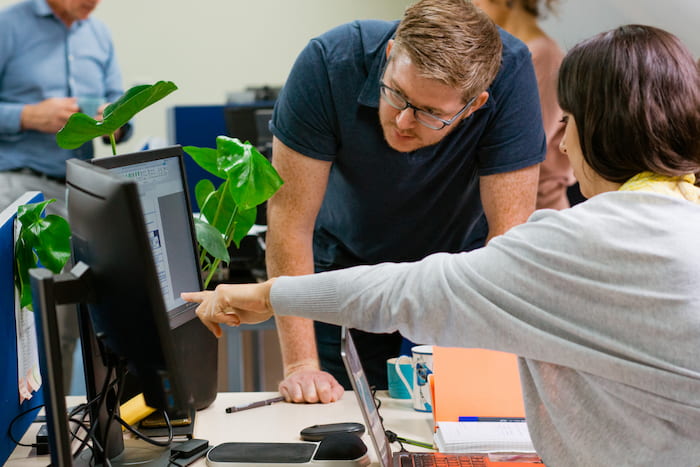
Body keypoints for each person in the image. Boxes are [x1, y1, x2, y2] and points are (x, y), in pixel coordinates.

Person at [183, 24, 700, 466]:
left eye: (569, 123)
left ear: (600, 131)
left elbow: (408, 291)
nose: (559, 144)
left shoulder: (577, 243)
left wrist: (267, 295)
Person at [265, 0, 547, 403]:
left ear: (474, 106)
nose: (403, 121)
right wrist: (300, 366)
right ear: (391, 54)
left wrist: (493, 363)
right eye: (397, 94)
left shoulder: (511, 72)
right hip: (343, 272)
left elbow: (507, 238)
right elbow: (290, 221)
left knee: (458, 419)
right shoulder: (328, 65)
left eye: (430, 112)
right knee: (337, 417)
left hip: (457, 278)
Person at [0, 0, 131, 390]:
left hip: (80, 190)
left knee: (68, 319)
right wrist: (27, 116)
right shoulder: (9, 26)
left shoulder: (99, 34)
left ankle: (55, 427)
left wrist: (114, 120)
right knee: (23, 324)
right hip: (20, 188)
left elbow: (123, 113)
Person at [473, 0, 574, 209]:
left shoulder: (543, 57)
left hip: (534, 210)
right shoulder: (505, 54)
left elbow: (520, 146)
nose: (473, 4)